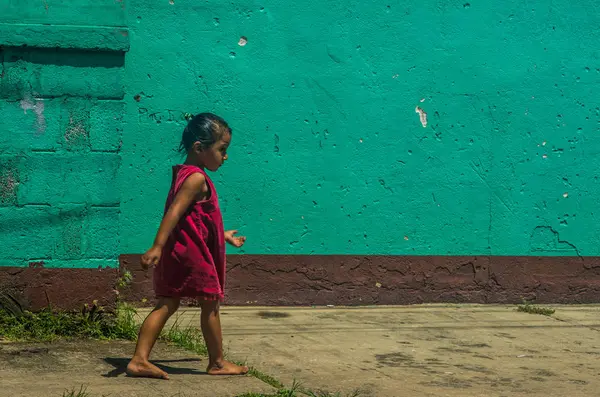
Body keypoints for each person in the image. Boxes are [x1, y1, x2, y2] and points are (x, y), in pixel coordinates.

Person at [126, 112, 249, 379]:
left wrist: (223, 235)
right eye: (222, 150)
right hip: (191, 255)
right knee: (210, 303)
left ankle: (139, 360)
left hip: (180, 251)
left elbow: (196, 219)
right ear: (199, 148)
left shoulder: (186, 174)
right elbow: (173, 213)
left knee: (167, 302)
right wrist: (156, 246)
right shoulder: (196, 179)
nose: (225, 157)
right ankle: (217, 363)